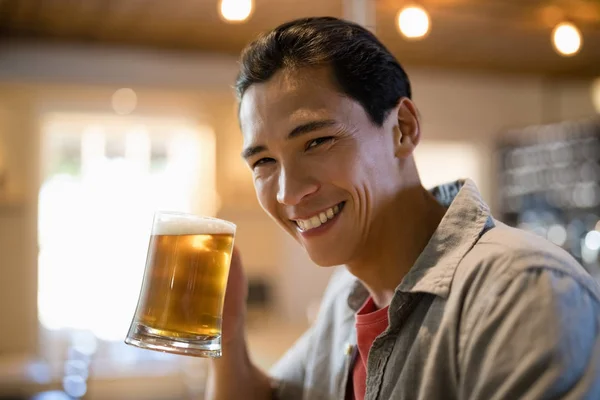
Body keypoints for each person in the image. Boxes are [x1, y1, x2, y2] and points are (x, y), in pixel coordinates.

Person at [206, 16, 600, 400]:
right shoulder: (350, 293)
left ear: (403, 129)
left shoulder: (521, 292)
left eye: (316, 142)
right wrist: (226, 333)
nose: (288, 194)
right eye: (263, 162)